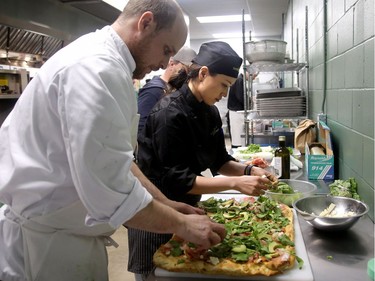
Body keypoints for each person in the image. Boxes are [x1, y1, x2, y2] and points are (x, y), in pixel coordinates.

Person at [0, 1, 226, 280]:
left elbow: (119, 163)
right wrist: (183, 225)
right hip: (48, 247)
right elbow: (111, 192)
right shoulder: (97, 69)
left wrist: (165, 203)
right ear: (145, 23)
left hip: (67, 237)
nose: (164, 64)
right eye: (166, 50)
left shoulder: (110, 64)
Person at [128, 41, 278, 279]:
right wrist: (234, 184)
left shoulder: (209, 112)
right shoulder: (168, 113)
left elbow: (220, 160)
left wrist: (249, 171)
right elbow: (177, 178)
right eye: (223, 85)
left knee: (186, 267)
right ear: (203, 73)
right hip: (158, 206)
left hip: (189, 207)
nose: (225, 94)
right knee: (155, 271)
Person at [137, 45, 196, 135]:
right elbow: (141, 129)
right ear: (172, 64)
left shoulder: (179, 90)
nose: (189, 74)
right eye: (187, 69)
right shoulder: (153, 91)